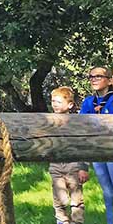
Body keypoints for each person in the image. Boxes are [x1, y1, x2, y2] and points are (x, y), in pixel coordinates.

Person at [49, 86, 88, 224]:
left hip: (74, 166)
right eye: (53, 101)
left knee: (76, 198)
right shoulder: (48, 121)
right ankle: (62, 221)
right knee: (59, 198)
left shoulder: (76, 123)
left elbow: (83, 145)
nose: (54, 104)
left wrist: (83, 167)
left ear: (70, 104)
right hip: (56, 166)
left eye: (58, 102)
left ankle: (77, 222)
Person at [80, 66, 113, 224]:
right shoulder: (88, 102)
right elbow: (82, 129)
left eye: (98, 76)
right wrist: (83, 164)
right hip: (97, 153)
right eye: (91, 76)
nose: (94, 79)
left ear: (110, 80)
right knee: (108, 193)